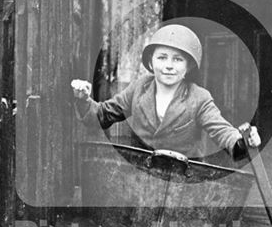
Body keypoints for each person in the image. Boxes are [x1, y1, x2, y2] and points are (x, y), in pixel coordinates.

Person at [71, 23, 260, 159]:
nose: (169, 66)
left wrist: (243, 142)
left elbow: (222, 132)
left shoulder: (199, 98)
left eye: (178, 60)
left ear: (189, 66)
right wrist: (83, 99)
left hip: (183, 180)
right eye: (162, 58)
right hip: (140, 175)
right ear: (151, 62)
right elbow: (101, 116)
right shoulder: (139, 87)